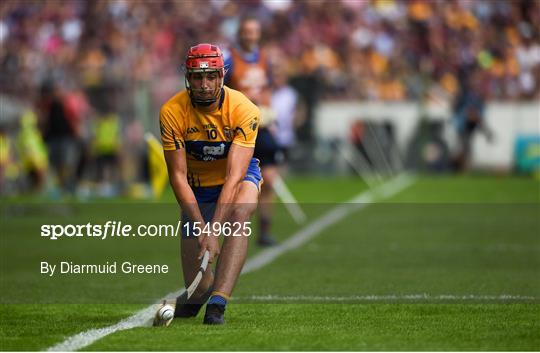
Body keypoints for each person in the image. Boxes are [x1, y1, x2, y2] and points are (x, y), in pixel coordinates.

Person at [159, 43, 261, 325]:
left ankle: (218, 305)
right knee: (198, 288)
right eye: (197, 77)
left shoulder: (244, 109)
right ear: (188, 78)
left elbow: (234, 176)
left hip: (233, 180)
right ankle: (198, 299)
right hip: (197, 187)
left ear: (222, 76)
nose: (205, 84)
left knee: (240, 212)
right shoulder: (171, 111)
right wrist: (202, 227)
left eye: (212, 76)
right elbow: (178, 176)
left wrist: (214, 229)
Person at [224, 15, 279, 246]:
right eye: (246, 31)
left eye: (254, 31)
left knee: (270, 179)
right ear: (240, 34)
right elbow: (224, 92)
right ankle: (230, 229)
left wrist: (270, 114)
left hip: (263, 125)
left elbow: (269, 89)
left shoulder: (265, 60)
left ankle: (264, 231)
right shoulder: (231, 60)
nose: (250, 35)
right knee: (235, 180)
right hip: (240, 127)